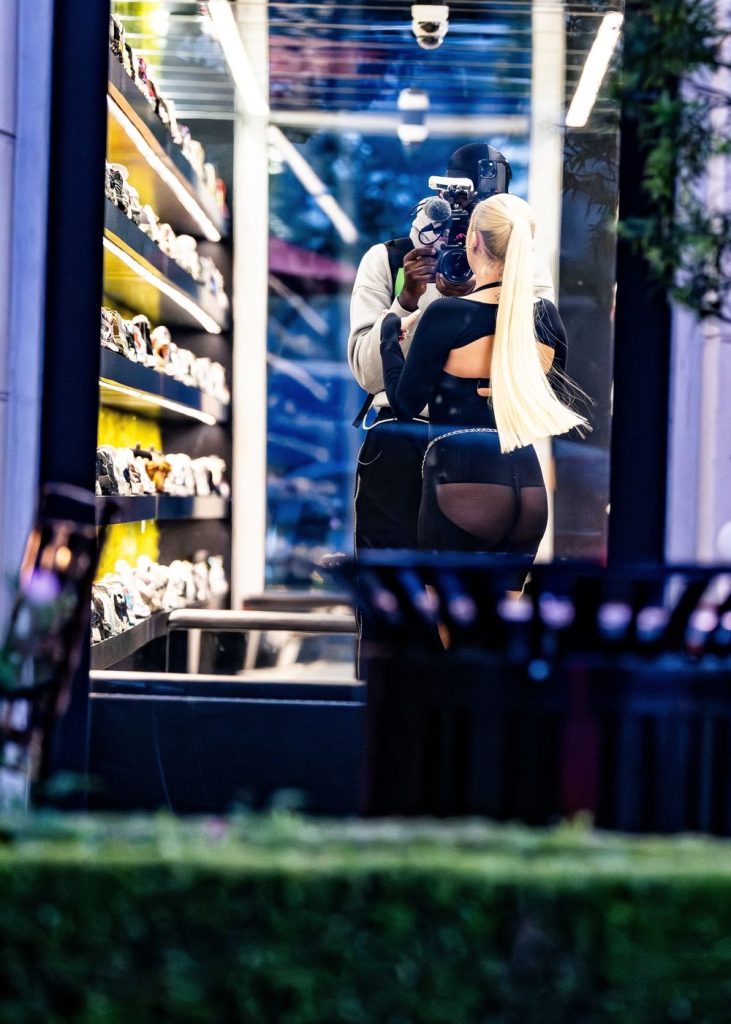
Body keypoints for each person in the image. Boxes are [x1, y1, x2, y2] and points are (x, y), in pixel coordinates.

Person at [348, 143, 555, 554]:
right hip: (404, 440)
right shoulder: (390, 260)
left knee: (471, 606)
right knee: (392, 600)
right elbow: (369, 377)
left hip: (484, 438)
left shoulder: (525, 269)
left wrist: (473, 301)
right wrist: (409, 298)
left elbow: (533, 368)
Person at [379, 192, 589, 561]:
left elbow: (404, 403)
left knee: (451, 618)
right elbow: (550, 396)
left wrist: (389, 338)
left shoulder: (447, 314)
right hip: (527, 486)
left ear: (473, 240)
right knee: (504, 619)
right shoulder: (547, 316)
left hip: (461, 482)